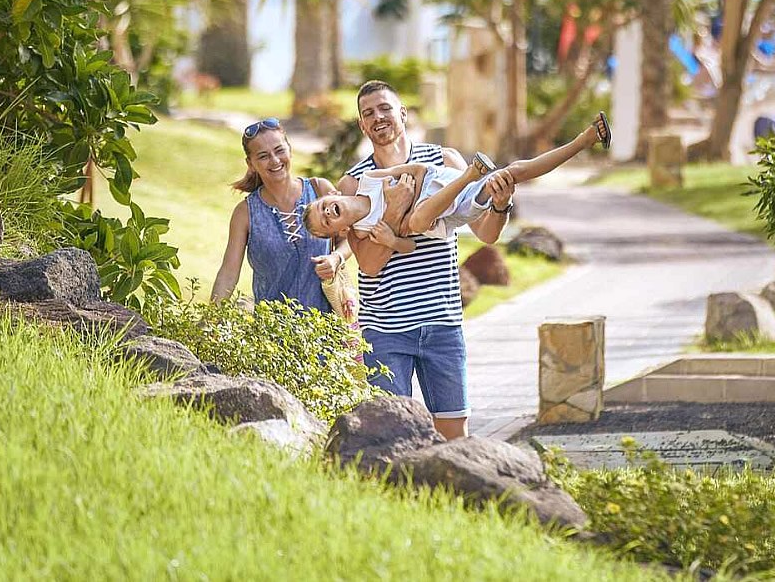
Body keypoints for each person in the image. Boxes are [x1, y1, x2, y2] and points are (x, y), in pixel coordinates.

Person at [331, 80, 515, 439]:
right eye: (368, 113)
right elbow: (369, 264)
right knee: (393, 434)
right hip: (385, 330)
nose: (378, 117)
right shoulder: (353, 184)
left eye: (385, 108)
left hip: (442, 322)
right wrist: (395, 210)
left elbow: (486, 233)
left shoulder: (445, 161)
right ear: (362, 125)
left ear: (403, 113)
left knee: (454, 433)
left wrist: (501, 204)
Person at [306, 113, 609, 276]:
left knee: (515, 171)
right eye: (326, 222)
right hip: (450, 213)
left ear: (332, 194)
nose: (327, 213)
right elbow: (408, 244)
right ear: (341, 231)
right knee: (418, 221)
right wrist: (392, 238)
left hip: (442, 182)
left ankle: (584, 140)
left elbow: (418, 170)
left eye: (323, 207)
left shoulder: (370, 178)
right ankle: (472, 175)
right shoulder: (366, 231)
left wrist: (407, 197)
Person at [211, 117, 414, 318]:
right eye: (263, 156)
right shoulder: (245, 213)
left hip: (326, 328)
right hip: (271, 332)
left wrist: (336, 258)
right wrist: (210, 320)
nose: (275, 160)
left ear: (289, 149)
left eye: (279, 150)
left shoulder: (320, 190)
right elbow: (228, 273)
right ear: (251, 164)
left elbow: (351, 237)